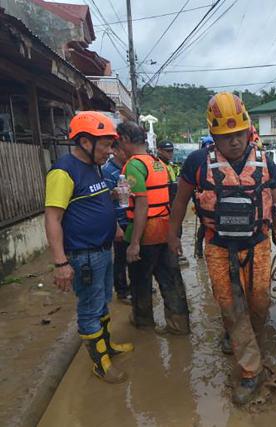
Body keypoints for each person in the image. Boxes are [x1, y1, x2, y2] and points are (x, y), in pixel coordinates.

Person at [168, 92, 276, 405]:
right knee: (230, 305)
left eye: (239, 134)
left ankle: (243, 340)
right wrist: (172, 236)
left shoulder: (264, 162)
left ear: (248, 130)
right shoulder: (197, 162)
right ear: (213, 136)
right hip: (219, 246)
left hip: (259, 243)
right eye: (225, 136)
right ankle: (251, 371)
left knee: (258, 300)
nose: (234, 141)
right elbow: (180, 201)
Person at [45, 111, 133, 383]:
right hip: (83, 255)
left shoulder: (93, 166)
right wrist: (61, 263)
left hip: (102, 249)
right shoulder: (63, 171)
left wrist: (114, 212)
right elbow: (52, 217)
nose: (110, 151)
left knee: (102, 302)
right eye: (105, 144)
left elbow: (91, 200)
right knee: (89, 308)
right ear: (85, 142)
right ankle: (100, 363)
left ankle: (106, 347)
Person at [118, 121, 190, 335]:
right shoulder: (158, 163)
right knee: (171, 279)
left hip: (146, 231)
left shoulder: (133, 165)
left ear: (125, 140)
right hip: (165, 229)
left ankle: (144, 323)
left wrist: (135, 243)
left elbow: (141, 203)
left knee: (140, 281)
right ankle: (179, 326)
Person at [102, 139, 132, 304]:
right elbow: (103, 201)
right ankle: (121, 290)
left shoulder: (130, 167)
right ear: (115, 151)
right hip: (119, 220)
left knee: (133, 255)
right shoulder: (107, 171)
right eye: (123, 150)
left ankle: (134, 285)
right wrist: (115, 227)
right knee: (120, 257)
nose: (127, 152)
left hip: (131, 218)